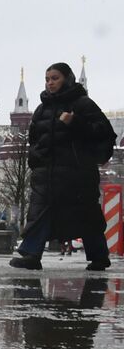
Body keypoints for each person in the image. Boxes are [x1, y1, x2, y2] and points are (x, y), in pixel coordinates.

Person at [11, 62, 114, 272]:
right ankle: (31, 254)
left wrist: (76, 123)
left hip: (77, 174)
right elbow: (35, 139)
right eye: (47, 79)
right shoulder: (42, 109)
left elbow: (104, 132)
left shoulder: (83, 104)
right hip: (47, 174)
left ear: (67, 79)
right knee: (40, 212)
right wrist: (36, 158)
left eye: (55, 78)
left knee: (86, 214)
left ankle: (99, 256)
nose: (50, 83)